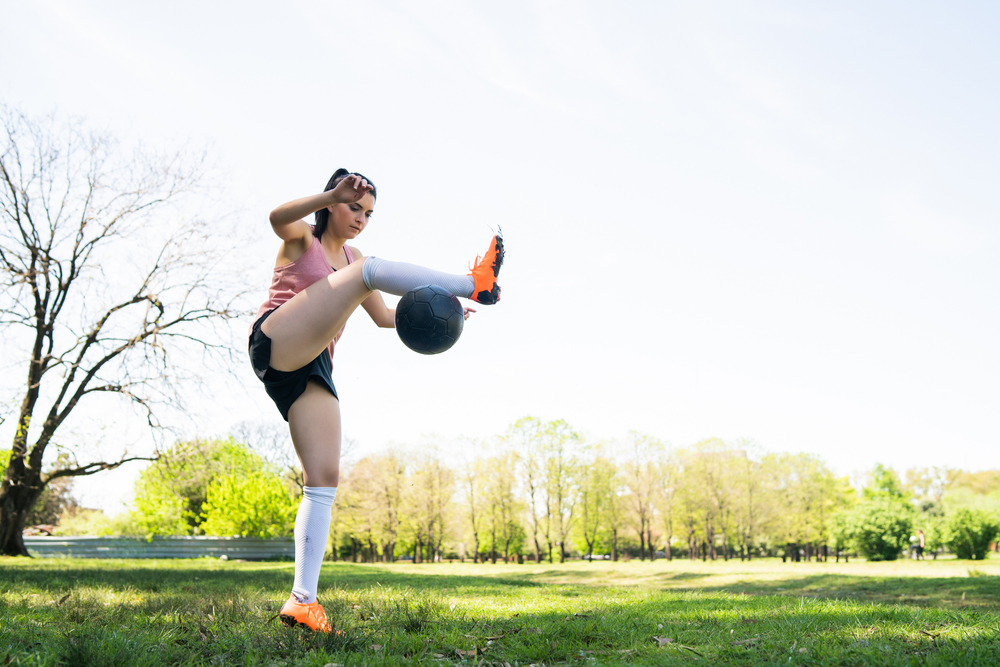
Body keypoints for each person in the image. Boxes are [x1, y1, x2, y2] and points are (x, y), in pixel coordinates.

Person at [247, 169, 503, 632]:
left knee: (323, 477)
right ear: (332, 204)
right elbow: (275, 216)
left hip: (312, 366)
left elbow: (386, 316)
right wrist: (329, 193)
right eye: (352, 206)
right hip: (276, 338)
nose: (360, 218)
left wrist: (445, 311)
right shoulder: (301, 239)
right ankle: (474, 282)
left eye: (368, 213)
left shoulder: (353, 256)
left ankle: (302, 601)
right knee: (366, 272)